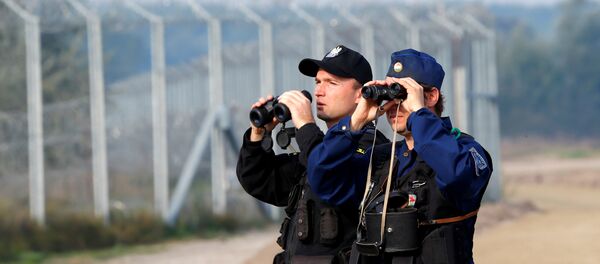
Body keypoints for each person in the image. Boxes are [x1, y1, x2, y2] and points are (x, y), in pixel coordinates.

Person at [307, 49, 493, 263]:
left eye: (402, 94)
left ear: (431, 96)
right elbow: (322, 180)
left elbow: (457, 175)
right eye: (389, 95)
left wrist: (418, 113)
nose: (393, 105)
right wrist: (354, 125)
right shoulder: (381, 159)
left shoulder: (465, 151)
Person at [236, 45, 389, 264]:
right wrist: (258, 133)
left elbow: (325, 170)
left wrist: (306, 125)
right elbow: (257, 179)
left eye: (331, 83)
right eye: (318, 82)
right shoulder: (317, 150)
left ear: (360, 94)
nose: (318, 91)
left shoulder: (372, 149)